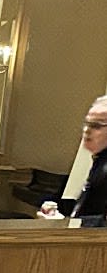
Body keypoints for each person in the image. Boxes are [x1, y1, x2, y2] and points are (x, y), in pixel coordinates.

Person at [40, 95, 107, 226]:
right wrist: (55, 210)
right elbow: (88, 208)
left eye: (96, 125)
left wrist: (65, 223)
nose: (86, 130)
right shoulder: (99, 160)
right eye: (86, 124)